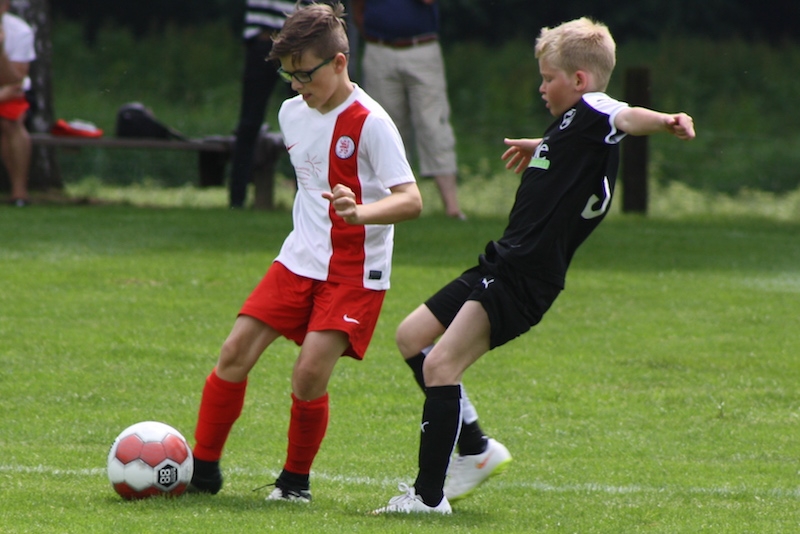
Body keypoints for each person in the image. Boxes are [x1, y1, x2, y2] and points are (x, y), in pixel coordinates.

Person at [373, 17, 696, 514]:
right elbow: (584, 143)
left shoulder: (595, 109)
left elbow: (626, 116)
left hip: (523, 277)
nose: (542, 88)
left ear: (580, 80)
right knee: (412, 337)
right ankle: (475, 448)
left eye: (549, 78)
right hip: (504, 261)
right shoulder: (574, 129)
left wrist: (667, 120)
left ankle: (427, 499)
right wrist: (542, 147)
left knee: (440, 365)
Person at [188, 2, 423, 502]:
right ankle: (202, 472)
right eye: (288, 76)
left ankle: (295, 483)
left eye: (305, 75)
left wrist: (361, 213)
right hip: (298, 259)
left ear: (339, 62)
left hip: (354, 270)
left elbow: (411, 200)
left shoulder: (372, 123)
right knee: (234, 353)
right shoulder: (291, 113)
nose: (296, 87)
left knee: (309, 373)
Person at [352, 0, 465, 220]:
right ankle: (388, 205)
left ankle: (452, 208)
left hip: (421, 48)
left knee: (433, 125)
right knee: (383, 129)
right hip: (379, 48)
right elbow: (358, 7)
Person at [228, 0, 313, 209]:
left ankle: (306, 195)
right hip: (262, 41)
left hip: (297, 42)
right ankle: (236, 199)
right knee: (249, 123)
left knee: (305, 118)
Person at [0, 0, 35, 207]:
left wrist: (1, 50)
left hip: (10, 93)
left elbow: (15, 79)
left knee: (10, 122)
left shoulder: (20, 31)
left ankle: (19, 191)